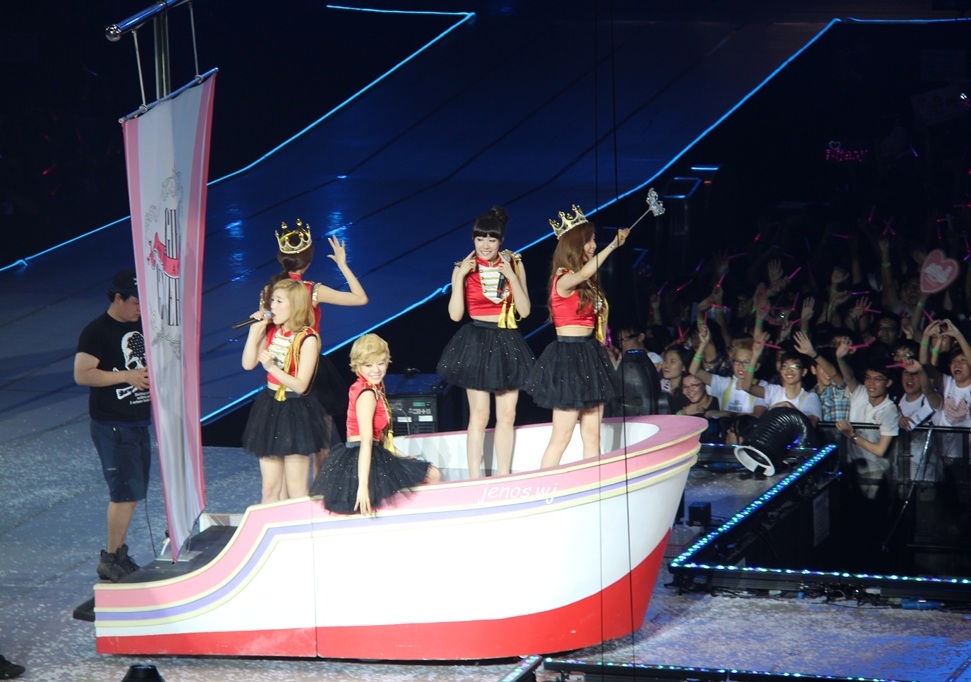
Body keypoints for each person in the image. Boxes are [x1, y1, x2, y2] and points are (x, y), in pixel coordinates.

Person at [261, 219, 369, 482]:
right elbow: (360, 298)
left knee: (284, 443)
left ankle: (285, 500)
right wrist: (342, 264)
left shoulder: (270, 291)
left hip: (278, 369)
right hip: (310, 369)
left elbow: (266, 332)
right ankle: (321, 489)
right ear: (308, 260)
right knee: (322, 438)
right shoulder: (311, 290)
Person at [525, 205, 629, 467]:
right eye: (589, 241)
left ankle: (594, 484)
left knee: (593, 435)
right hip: (568, 359)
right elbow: (583, 272)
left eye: (594, 240)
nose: (593, 245)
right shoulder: (563, 279)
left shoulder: (588, 283)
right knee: (562, 436)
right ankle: (546, 485)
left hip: (589, 355)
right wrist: (613, 245)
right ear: (574, 245)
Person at [436, 206, 533, 478]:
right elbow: (455, 315)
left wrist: (512, 276)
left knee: (507, 415)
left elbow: (525, 311)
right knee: (479, 416)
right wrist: (459, 278)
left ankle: (503, 475)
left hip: (507, 340)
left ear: (501, 241)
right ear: (473, 239)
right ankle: (474, 478)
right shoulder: (464, 268)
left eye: (491, 239)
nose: (485, 245)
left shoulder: (514, 263)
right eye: (480, 239)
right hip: (476, 341)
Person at [74, 268, 151, 583]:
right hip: (113, 425)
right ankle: (110, 557)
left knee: (132, 493)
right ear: (118, 298)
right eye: (135, 302)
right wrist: (127, 376)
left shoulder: (142, 325)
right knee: (123, 493)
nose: (139, 309)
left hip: (138, 422)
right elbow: (82, 373)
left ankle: (118, 553)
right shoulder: (97, 331)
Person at [311, 334, 440, 515]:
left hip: (373, 450)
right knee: (432, 475)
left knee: (429, 475)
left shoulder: (373, 387)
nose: (376, 370)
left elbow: (380, 436)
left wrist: (403, 457)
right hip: (363, 455)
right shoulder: (367, 394)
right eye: (368, 365)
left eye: (381, 363)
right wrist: (362, 486)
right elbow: (366, 441)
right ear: (357, 366)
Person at [241, 278, 330, 504]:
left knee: (296, 490)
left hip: (295, 410)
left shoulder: (308, 338)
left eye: (279, 301)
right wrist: (255, 331)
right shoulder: (272, 331)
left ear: (295, 305)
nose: (272, 306)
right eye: (272, 301)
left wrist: (272, 368)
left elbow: (301, 385)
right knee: (269, 489)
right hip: (270, 407)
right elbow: (248, 364)